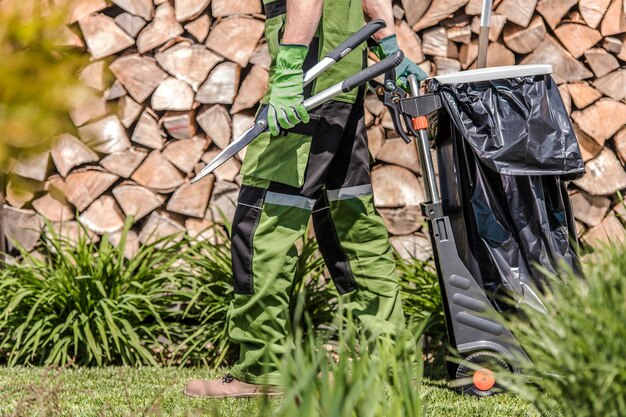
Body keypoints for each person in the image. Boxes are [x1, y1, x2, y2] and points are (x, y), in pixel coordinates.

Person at [184, 0, 427, 398]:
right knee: (350, 219)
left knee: (262, 222)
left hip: (309, 78)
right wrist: (390, 49)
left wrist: (288, 72)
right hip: (341, 80)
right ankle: (393, 360)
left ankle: (264, 368)